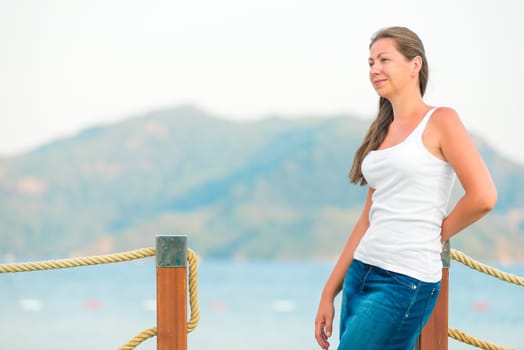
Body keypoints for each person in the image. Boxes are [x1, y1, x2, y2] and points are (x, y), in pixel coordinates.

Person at [314, 26, 497, 350]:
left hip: (404, 281)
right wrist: (329, 292)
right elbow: (366, 221)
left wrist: (438, 232)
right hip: (361, 273)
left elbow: (483, 196)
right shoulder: (382, 132)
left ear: (415, 65)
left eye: (384, 59)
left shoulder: (441, 120)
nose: (374, 69)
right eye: (370, 62)